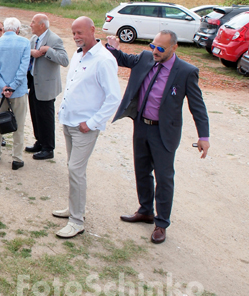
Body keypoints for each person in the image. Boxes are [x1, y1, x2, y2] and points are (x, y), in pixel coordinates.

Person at [107, 31, 210, 244]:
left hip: (164, 132)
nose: (155, 51)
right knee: (142, 171)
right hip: (141, 126)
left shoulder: (186, 72)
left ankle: (161, 223)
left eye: (161, 48)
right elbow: (124, 59)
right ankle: (145, 211)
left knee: (164, 178)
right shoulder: (146, 57)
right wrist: (113, 47)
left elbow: (197, 106)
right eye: (153, 46)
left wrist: (204, 136)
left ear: (173, 48)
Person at [53, 17, 121, 239]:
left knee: (76, 170)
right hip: (69, 121)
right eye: (73, 33)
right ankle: (74, 209)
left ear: (93, 30)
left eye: (80, 32)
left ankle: (76, 220)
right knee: (73, 168)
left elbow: (113, 98)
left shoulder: (104, 60)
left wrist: (91, 123)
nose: (76, 37)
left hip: (84, 127)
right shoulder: (79, 54)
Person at [25, 14, 69, 160]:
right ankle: (39, 141)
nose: (30, 24)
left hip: (46, 85)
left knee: (46, 117)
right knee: (35, 115)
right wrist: (32, 52)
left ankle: (48, 148)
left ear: (42, 25)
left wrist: (48, 50)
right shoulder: (33, 39)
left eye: (33, 22)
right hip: (34, 84)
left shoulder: (54, 39)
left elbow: (64, 60)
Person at [0, 17, 30, 170]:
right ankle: (17, 158)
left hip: (0, 91)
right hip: (18, 91)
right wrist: (12, 87)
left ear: (5, 29)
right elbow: (23, 68)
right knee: (18, 124)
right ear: (18, 29)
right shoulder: (25, 43)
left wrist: (3, 86)